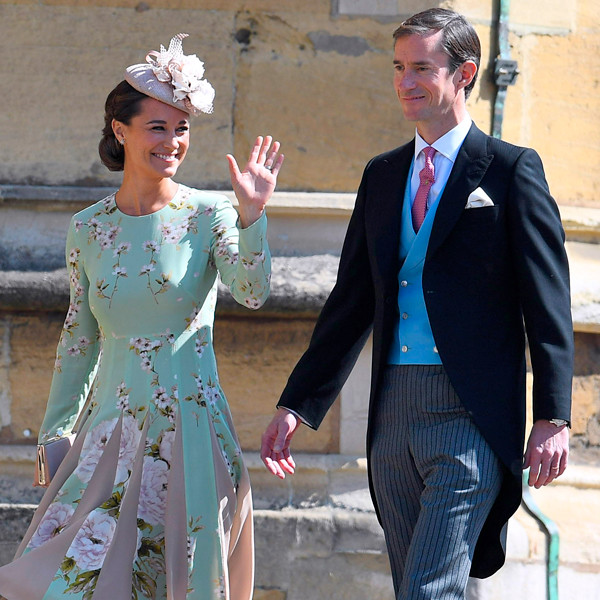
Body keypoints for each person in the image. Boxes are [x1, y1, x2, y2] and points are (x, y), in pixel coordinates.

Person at [260, 8, 572, 600]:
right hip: (392, 416)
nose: (405, 82)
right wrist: (297, 403)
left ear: (464, 73)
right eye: (398, 67)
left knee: (430, 590)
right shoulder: (381, 175)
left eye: (421, 68)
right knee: (415, 587)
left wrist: (552, 416)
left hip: (470, 415)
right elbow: (350, 302)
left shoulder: (510, 171)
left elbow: (548, 300)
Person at [0, 33, 283, 600]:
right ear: (120, 130)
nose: (173, 142)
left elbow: (252, 292)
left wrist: (252, 217)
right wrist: (56, 432)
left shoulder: (211, 213)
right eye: (158, 127)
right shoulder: (88, 227)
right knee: (61, 584)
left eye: (182, 129)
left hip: (192, 438)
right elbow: (78, 336)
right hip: (109, 437)